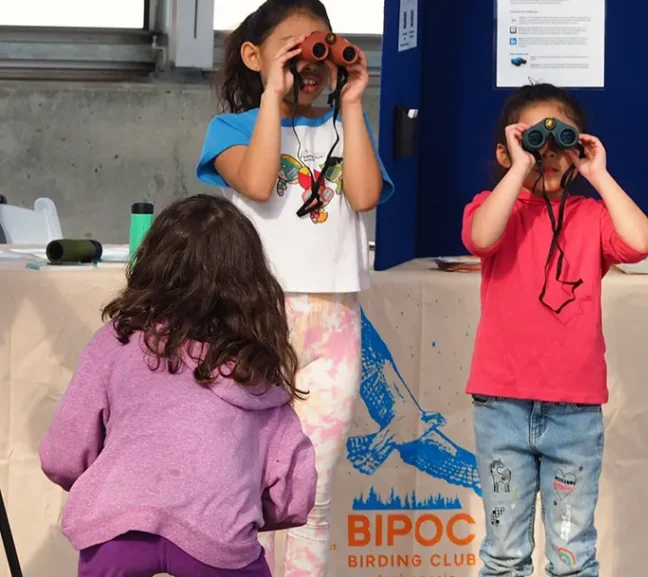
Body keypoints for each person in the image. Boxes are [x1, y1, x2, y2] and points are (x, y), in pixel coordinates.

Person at [195, 0, 393, 574]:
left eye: (322, 44)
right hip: (252, 317)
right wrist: (271, 98)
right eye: (295, 45)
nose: (312, 57)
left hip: (334, 322)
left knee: (312, 494)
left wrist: (351, 102)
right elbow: (258, 182)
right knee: (238, 484)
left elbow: (363, 195)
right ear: (256, 56)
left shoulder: (346, 125)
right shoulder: (231, 129)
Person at [39, 195, 317, 577]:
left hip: (117, 528)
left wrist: (111, 485)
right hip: (220, 535)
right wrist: (242, 508)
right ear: (252, 284)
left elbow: (61, 454)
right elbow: (294, 493)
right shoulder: (255, 366)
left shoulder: (116, 342)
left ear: (152, 264)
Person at [462, 83, 648, 577]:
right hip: (502, 404)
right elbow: (481, 237)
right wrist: (520, 167)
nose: (547, 154)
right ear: (506, 150)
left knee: (573, 555)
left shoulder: (591, 217)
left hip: (574, 410)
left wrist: (598, 173)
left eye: (559, 143)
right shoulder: (492, 207)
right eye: (534, 141)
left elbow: (640, 242)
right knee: (504, 553)